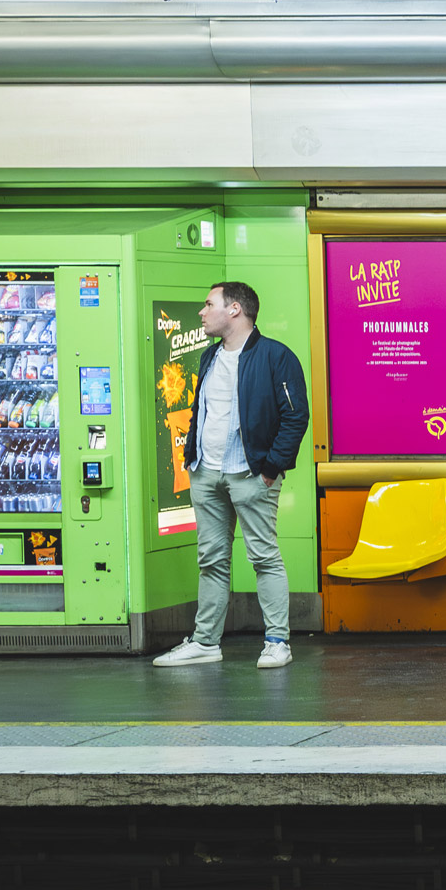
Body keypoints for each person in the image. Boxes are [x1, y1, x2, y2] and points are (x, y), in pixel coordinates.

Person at [154, 279, 308, 670]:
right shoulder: (210, 356)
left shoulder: (276, 356)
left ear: (234, 309)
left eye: (209, 304)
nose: (202, 312)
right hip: (206, 474)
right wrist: (192, 460)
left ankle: (277, 642)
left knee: (264, 557)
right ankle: (205, 642)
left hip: (251, 474)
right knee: (211, 561)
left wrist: (270, 469)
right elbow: (203, 411)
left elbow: (295, 417)